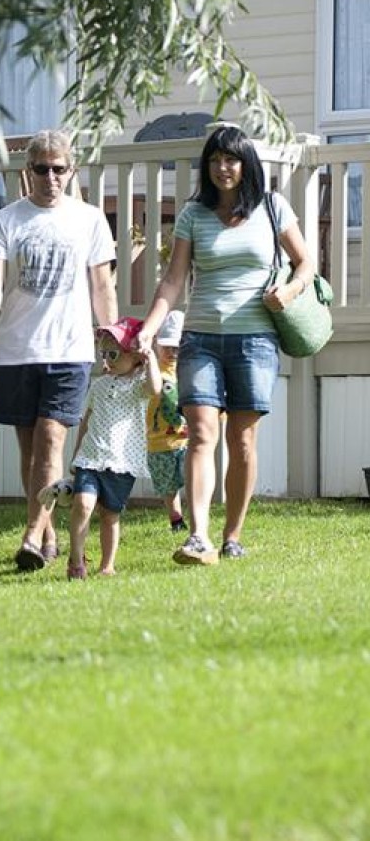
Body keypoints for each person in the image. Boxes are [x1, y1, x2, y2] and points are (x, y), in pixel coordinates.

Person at [135, 125, 316, 565]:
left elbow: (306, 262)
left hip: (255, 339)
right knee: (199, 434)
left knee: (243, 441)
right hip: (200, 340)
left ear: (245, 163)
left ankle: (232, 533)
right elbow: (173, 279)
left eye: (231, 160)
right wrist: (150, 328)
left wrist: (288, 292)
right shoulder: (194, 214)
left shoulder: (272, 207)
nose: (222, 168)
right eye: (214, 161)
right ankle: (199, 537)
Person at [0, 128, 118, 572]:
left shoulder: (89, 219)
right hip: (18, 348)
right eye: (41, 169)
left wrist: (109, 335)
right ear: (27, 172)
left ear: (71, 172)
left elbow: (102, 285)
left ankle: (31, 535)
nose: (50, 177)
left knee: (53, 437)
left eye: (58, 169)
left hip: (70, 349)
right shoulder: (6, 220)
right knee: (31, 452)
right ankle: (48, 532)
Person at [65, 317, 162, 579]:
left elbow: (155, 388)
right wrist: (76, 457)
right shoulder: (98, 385)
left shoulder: (138, 385)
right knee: (83, 505)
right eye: (103, 353)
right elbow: (86, 422)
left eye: (113, 353)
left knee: (110, 515)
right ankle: (76, 560)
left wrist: (151, 357)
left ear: (135, 356)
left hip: (121, 462)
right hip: (90, 459)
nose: (106, 359)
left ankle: (107, 565)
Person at [145, 309, 189, 534]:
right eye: (167, 346)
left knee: (193, 478)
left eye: (177, 347)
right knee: (168, 488)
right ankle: (176, 520)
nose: (172, 351)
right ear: (156, 344)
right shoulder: (152, 370)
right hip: (159, 443)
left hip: (186, 440)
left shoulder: (187, 370)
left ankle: (198, 519)